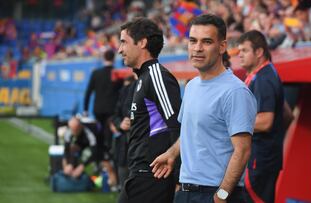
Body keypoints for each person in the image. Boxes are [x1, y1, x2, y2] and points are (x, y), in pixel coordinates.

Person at [151, 14, 257, 203]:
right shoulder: (192, 86)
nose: (197, 48)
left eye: (206, 42)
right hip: (185, 191)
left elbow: (242, 151)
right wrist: (172, 154)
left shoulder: (235, 91)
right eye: (193, 41)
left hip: (217, 193)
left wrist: (222, 195)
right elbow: (190, 132)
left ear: (222, 47)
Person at [117, 17, 182, 203]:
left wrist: (178, 179)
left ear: (142, 42)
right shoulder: (143, 78)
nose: (120, 50)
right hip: (140, 174)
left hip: (152, 178)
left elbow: (177, 127)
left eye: (124, 42)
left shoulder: (156, 76)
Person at [237, 30, 286, 203]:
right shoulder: (263, 74)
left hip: (259, 158)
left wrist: (231, 124)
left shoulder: (263, 79)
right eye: (239, 51)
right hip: (263, 156)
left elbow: (265, 122)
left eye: (244, 51)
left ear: (259, 52)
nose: (239, 55)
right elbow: (286, 113)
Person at [83, 49, 122, 185]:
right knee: (110, 141)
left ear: (103, 57)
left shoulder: (96, 73)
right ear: (114, 58)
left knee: (98, 140)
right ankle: (110, 169)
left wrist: (85, 111)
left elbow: (88, 92)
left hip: (98, 112)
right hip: (112, 114)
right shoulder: (117, 74)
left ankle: (100, 166)